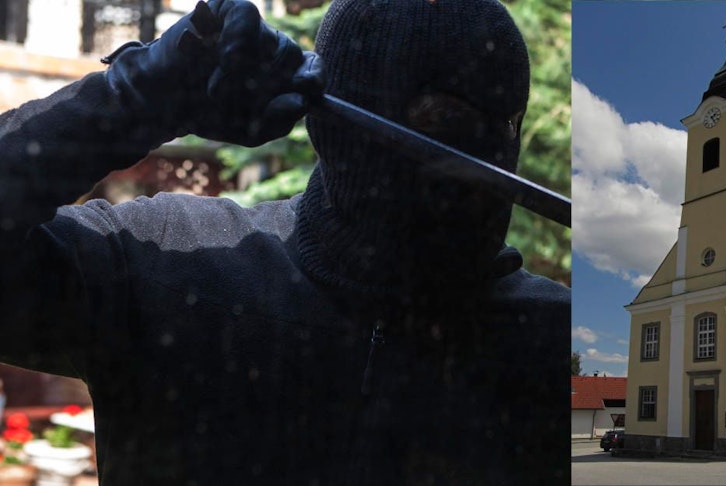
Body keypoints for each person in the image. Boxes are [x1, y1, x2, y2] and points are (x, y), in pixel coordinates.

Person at [0, 0, 570, 483]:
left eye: (507, 126)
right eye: (445, 123)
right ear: (338, 124)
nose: (490, 156)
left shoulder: (546, 339)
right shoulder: (167, 267)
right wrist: (130, 100)